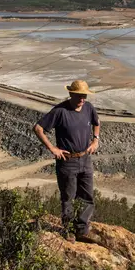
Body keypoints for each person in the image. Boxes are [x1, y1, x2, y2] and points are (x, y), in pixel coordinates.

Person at [34, 80, 101, 243]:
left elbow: (96, 123)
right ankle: (68, 230)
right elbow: (38, 128)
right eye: (79, 95)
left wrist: (95, 140)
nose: (82, 99)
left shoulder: (88, 108)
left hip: (85, 158)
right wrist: (52, 148)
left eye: (84, 95)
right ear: (71, 94)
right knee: (68, 196)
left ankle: (82, 230)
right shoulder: (60, 111)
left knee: (86, 195)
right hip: (67, 161)